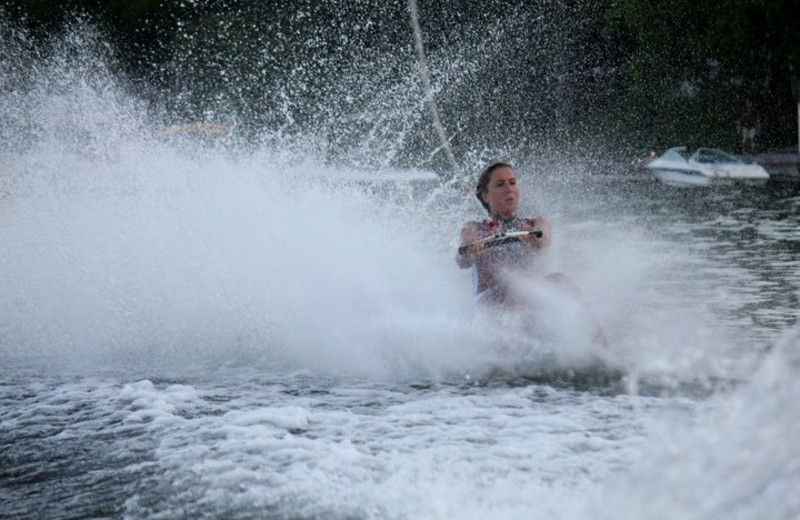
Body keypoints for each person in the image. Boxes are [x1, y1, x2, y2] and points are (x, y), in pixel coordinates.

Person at [456, 162, 609, 347]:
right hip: (490, 305)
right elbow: (462, 258)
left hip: (530, 302)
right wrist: (470, 249)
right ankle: (501, 359)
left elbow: (544, 236)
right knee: (517, 288)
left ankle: (602, 348)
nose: (509, 189)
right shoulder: (474, 229)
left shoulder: (535, 223)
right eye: (500, 184)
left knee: (562, 280)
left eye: (513, 183)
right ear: (485, 196)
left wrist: (534, 236)